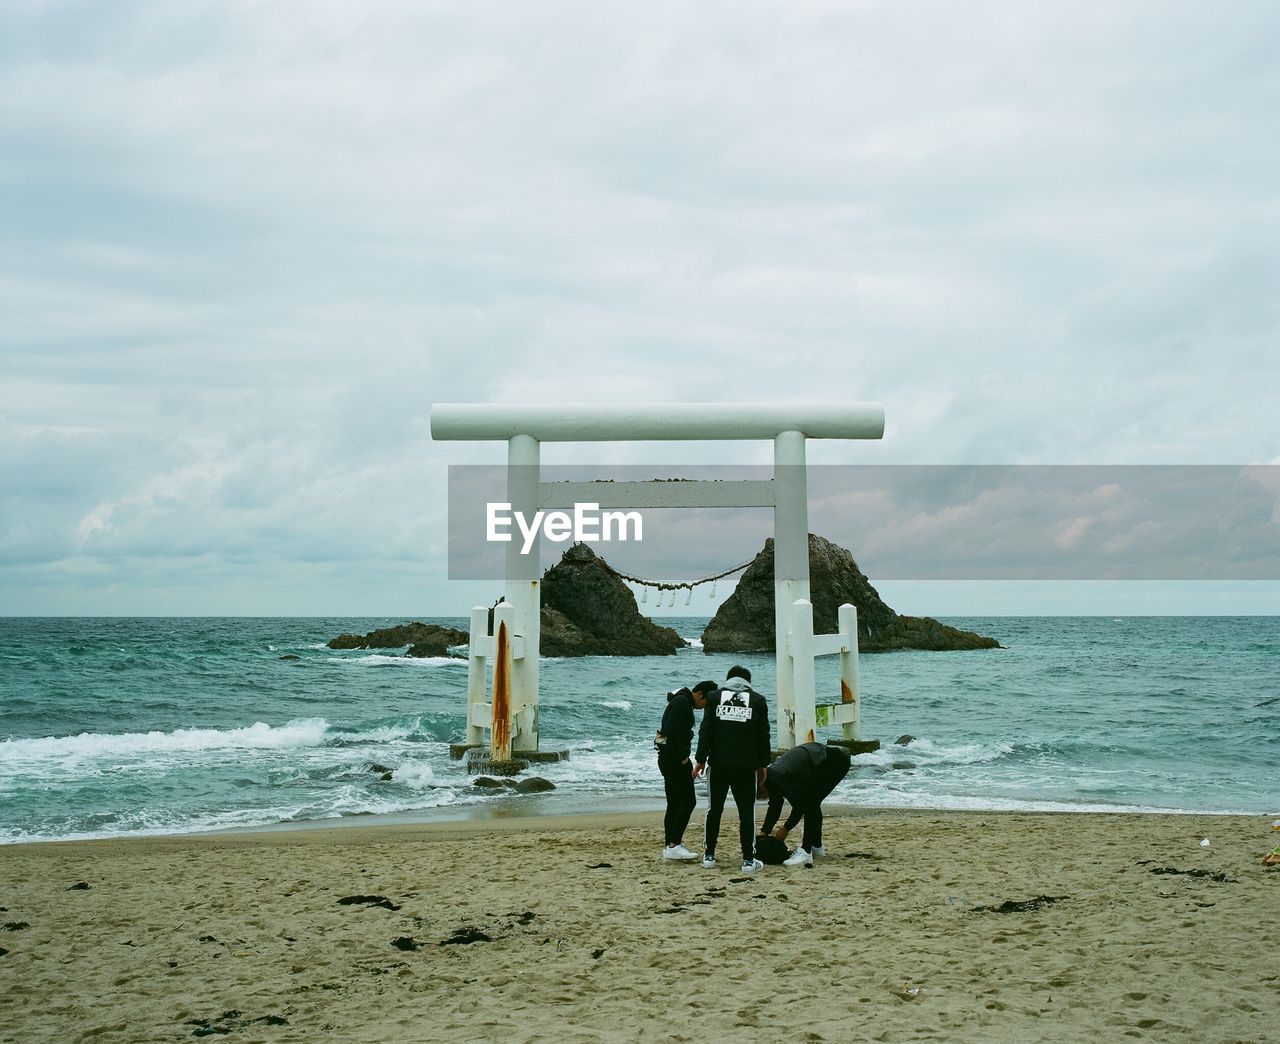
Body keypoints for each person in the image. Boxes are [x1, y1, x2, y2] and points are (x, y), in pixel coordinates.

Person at [693, 666, 771, 875]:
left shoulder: (714, 697)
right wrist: (764, 764)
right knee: (746, 812)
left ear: (728, 680)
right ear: (748, 682)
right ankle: (747, 860)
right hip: (746, 766)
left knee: (714, 809)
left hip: (718, 764)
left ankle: (709, 856)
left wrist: (700, 760)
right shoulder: (758, 700)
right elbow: (763, 735)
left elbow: (706, 731)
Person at [760, 740, 852, 867]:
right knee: (812, 803)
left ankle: (805, 852)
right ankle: (817, 847)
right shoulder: (772, 777)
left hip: (834, 761)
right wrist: (764, 832)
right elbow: (775, 805)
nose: (764, 798)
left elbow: (799, 806)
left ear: (762, 786)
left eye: (761, 796)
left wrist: (786, 828)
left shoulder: (779, 777)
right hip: (826, 759)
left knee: (809, 803)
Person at [656, 680, 718, 861]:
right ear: (699, 694)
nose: (704, 707)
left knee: (674, 803)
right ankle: (674, 844)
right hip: (674, 760)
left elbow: (663, 734)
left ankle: (670, 847)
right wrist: (683, 756)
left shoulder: (679, 701)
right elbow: (670, 732)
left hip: (667, 758)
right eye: (706, 702)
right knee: (688, 801)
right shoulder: (682, 704)